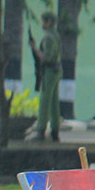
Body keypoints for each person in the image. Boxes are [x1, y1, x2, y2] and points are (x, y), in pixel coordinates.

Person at [28, 11, 62, 141]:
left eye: (44, 21)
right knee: (54, 103)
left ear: (49, 22)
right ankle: (55, 130)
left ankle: (40, 130)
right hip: (56, 71)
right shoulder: (56, 35)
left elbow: (46, 57)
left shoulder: (48, 37)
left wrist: (35, 48)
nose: (42, 24)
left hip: (49, 71)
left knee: (45, 100)